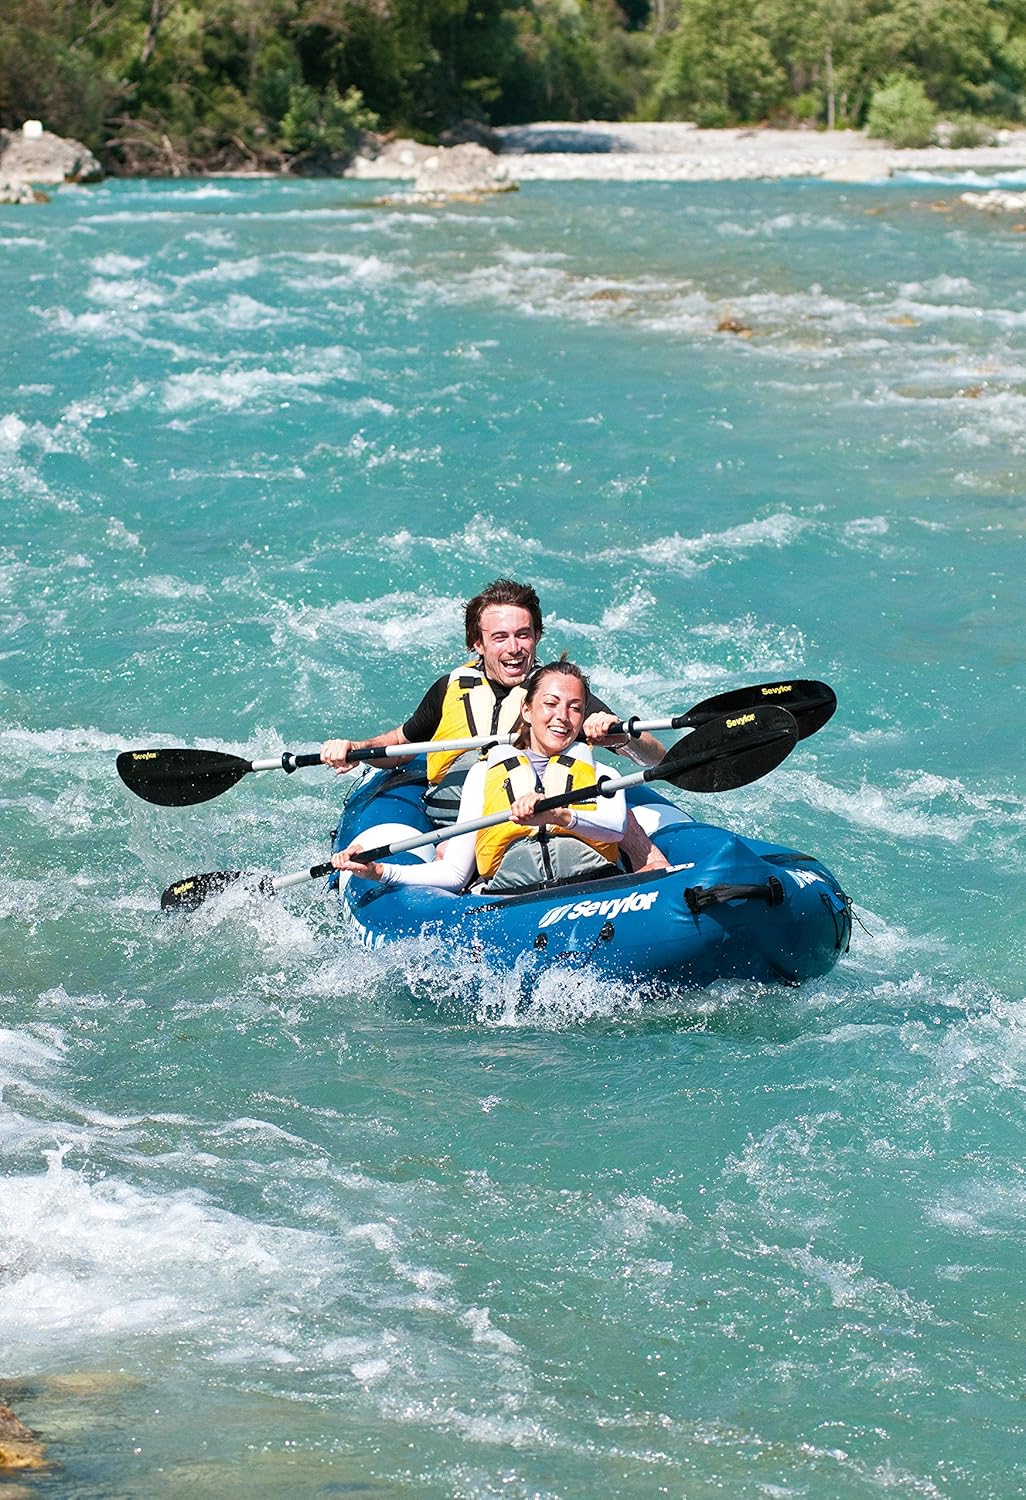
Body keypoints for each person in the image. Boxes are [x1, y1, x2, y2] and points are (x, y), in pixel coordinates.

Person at [321, 577, 670, 868]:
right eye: (500, 637)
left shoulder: (558, 695)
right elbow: (401, 745)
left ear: (537, 636)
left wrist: (621, 737)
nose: (514, 648)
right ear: (478, 643)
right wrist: (356, 749)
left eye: (523, 634)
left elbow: (655, 757)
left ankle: (659, 873)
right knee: (447, 855)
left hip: (541, 814)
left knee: (614, 798)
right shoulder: (450, 688)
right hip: (462, 825)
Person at [332, 660, 627, 894]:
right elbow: (454, 874)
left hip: (594, 891)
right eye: (550, 704)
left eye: (575, 708)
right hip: (514, 900)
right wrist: (379, 871)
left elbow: (615, 830)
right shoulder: (483, 775)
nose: (562, 716)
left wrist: (559, 816)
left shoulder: (603, 775)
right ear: (526, 710)